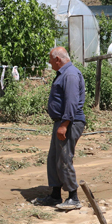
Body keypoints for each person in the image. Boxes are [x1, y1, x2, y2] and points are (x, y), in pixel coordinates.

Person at [35, 47, 86, 210]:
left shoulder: (70, 74)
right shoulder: (64, 73)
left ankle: (74, 197)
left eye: (51, 60)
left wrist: (64, 124)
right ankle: (55, 195)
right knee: (54, 158)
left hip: (69, 122)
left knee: (64, 158)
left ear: (58, 59)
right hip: (62, 122)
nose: (49, 63)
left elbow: (72, 102)